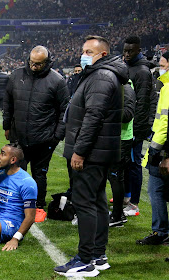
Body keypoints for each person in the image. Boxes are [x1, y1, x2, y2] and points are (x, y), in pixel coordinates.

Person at [54, 35, 128, 277]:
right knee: (96, 203)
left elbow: (93, 118)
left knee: (85, 204)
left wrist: (80, 151)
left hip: (92, 153)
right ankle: (98, 254)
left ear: (103, 55)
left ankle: (85, 259)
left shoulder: (101, 76)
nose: (83, 54)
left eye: (88, 51)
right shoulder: (102, 75)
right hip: (100, 152)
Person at [3, 45, 70, 222]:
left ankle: (38, 206)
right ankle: (19, 203)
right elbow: (7, 102)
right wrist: (6, 126)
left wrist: (57, 135)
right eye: (32, 63)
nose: (34, 66)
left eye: (38, 64)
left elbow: (65, 110)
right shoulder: (16, 75)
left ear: (47, 62)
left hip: (44, 138)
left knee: (39, 173)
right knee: (18, 171)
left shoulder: (57, 81)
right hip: (19, 136)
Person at [136, 52, 169, 245]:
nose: (160, 67)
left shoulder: (167, 87)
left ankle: (160, 232)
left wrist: (159, 150)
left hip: (162, 148)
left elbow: (165, 122)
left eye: (163, 64)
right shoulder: (163, 86)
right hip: (161, 146)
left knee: (155, 189)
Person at [122, 35, 153, 216]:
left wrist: (138, 130)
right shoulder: (128, 67)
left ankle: (134, 203)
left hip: (135, 127)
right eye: (125, 50)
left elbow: (143, 103)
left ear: (138, 50)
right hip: (127, 125)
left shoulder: (142, 71)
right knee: (125, 163)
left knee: (134, 164)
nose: (126, 54)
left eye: (130, 51)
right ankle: (126, 196)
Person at [107, 81, 136, 227]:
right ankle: (119, 214)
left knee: (116, 177)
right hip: (113, 137)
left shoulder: (126, 88)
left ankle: (118, 216)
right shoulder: (119, 87)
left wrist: (105, 109)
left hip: (121, 139)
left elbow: (127, 115)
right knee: (113, 176)